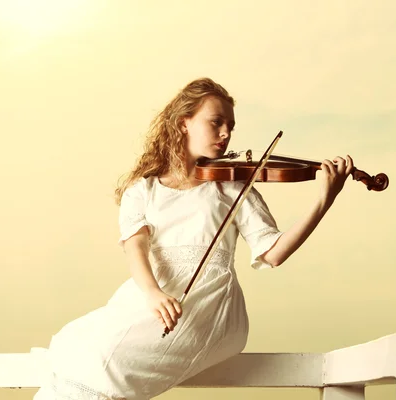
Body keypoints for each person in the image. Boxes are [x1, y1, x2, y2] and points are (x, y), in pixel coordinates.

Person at [33, 77, 353, 400]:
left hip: (211, 307)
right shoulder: (142, 190)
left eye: (230, 126)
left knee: (106, 363)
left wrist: (324, 200)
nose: (226, 134)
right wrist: (154, 294)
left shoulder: (232, 187)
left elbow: (273, 253)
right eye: (216, 122)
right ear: (183, 122)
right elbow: (136, 251)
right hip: (155, 298)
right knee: (84, 347)